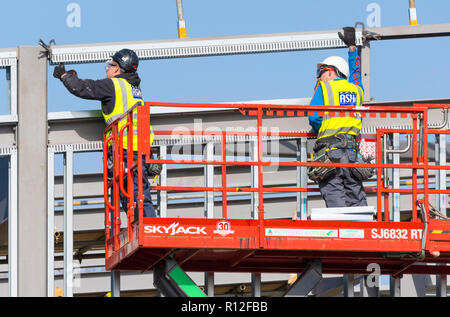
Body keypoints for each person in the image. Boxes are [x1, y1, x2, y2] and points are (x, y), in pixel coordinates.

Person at [53, 48, 157, 219]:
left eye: (110, 65)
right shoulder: (134, 88)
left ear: (117, 68)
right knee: (133, 193)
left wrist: (64, 76)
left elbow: (85, 88)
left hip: (126, 150)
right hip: (142, 149)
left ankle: (146, 229)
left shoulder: (114, 85)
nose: (107, 68)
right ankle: (143, 227)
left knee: (135, 193)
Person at [308, 27, 368, 208]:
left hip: (330, 151)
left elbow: (314, 117)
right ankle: (362, 231)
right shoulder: (356, 90)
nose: (319, 77)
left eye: (321, 72)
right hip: (352, 153)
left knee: (334, 193)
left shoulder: (324, 89)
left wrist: (320, 130)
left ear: (331, 72)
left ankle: (342, 231)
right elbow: (356, 74)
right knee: (355, 191)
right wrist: (352, 48)